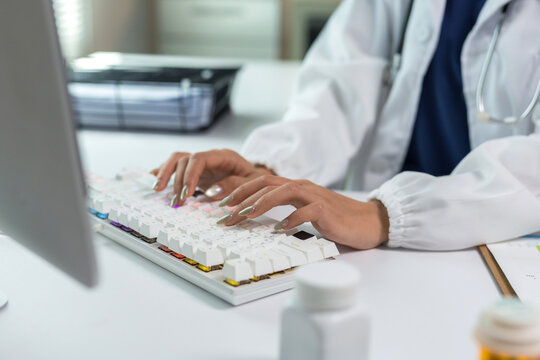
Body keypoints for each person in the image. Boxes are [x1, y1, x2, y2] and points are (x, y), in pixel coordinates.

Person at [152, 0, 540, 251]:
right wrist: (271, 167)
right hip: (386, 243)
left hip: (504, 245)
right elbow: (339, 83)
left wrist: (388, 214)